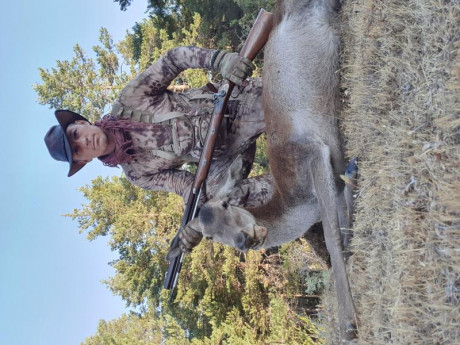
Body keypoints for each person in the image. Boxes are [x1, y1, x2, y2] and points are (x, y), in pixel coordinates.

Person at [45, 46, 273, 213]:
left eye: (76, 135)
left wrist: (220, 60)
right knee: (219, 199)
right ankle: (294, 188)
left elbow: (173, 59)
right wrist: (195, 210)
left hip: (234, 107)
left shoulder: (130, 100)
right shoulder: (138, 174)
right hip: (226, 158)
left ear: (83, 124)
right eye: (77, 150)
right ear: (83, 161)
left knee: (286, 106)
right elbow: (184, 184)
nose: (83, 142)